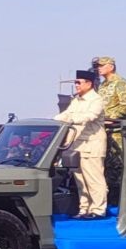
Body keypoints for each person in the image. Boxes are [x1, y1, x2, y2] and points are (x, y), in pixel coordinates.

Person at [53, 70, 107, 219]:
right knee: (80, 180)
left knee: (94, 179)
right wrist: (53, 120)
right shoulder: (76, 100)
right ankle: (84, 209)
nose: (76, 85)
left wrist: (70, 119)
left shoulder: (96, 99)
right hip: (77, 145)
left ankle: (98, 209)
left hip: (92, 145)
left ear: (89, 84)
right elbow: (66, 114)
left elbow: (90, 116)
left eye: (79, 82)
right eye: (75, 82)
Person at [95, 56, 126, 206]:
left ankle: (120, 201)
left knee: (118, 165)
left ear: (111, 66)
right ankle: (109, 200)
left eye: (102, 65)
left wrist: (110, 118)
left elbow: (125, 107)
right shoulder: (102, 86)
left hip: (115, 130)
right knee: (107, 166)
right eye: (98, 66)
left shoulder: (120, 83)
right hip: (103, 131)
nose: (99, 68)